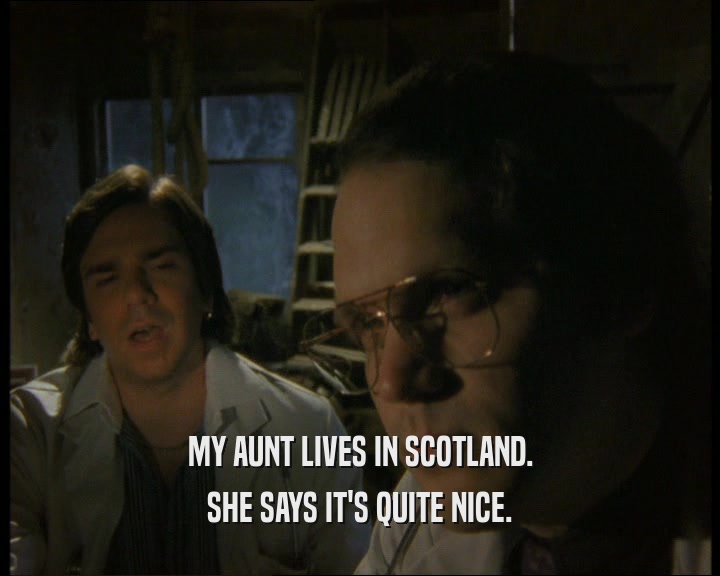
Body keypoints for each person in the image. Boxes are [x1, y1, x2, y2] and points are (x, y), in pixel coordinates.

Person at [301, 54, 711, 574]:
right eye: (368, 325)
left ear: (624, 285)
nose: (390, 381)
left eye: (447, 292)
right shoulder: (416, 524)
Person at [10, 164, 370, 575]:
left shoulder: (308, 428)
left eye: (162, 266)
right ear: (89, 318)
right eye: (107, 279)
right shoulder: (31, 430)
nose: (137, 294)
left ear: (205, 291)